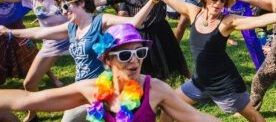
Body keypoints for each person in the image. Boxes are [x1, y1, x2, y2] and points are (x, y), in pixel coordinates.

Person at [156, 0, 276, 122]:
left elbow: (258, 20)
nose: (218, 3)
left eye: (222, 0)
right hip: (200, 81)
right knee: (168, 106)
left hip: (225, 85)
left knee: (253, 117)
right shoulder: (193, 12)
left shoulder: (227, 22)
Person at [0, 23, 221, 122]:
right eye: (125, 55)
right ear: (108, 59)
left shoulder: (155, 89)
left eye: (140, 53)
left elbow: (197, 117)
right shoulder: (91, 88)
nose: (135, 61)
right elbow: (28, 99)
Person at [0, 0, 112, 122]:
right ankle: (33, 114)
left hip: (77, 35)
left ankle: (109, 107)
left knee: (99, 75)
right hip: (51, 41)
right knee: (29, 83)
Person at [95, 0, 194, 80]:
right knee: (144, 69)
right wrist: (83, 1)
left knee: (173, 62)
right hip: (139, 34)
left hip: (160, 31)